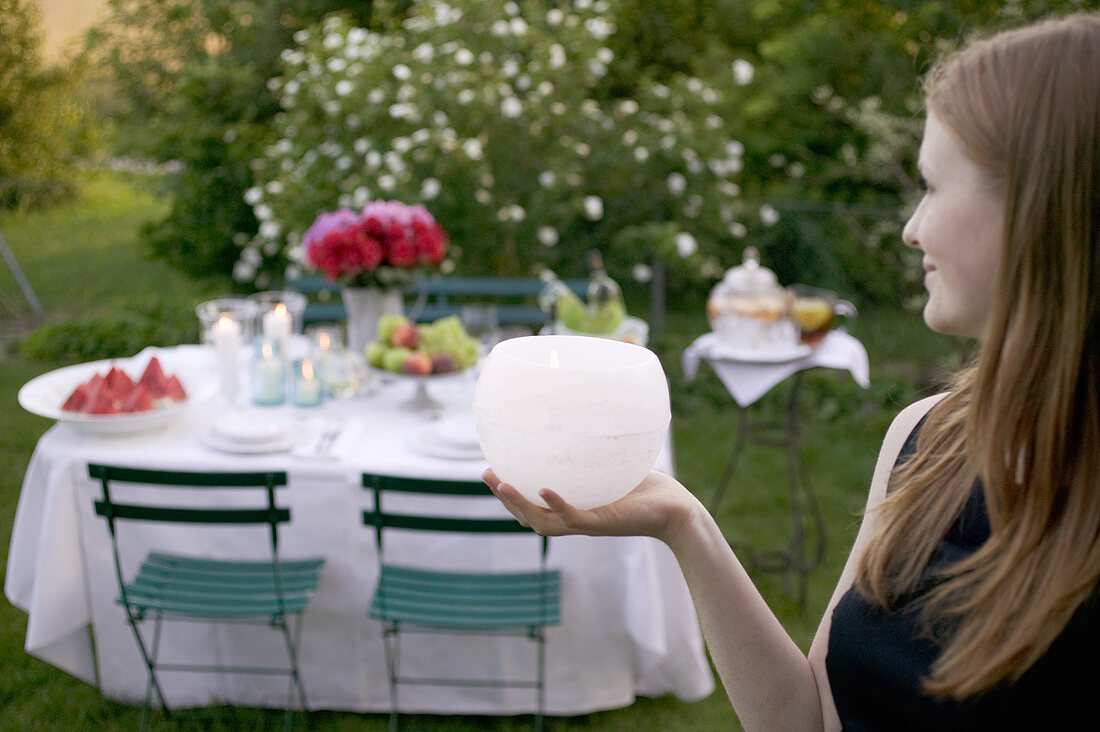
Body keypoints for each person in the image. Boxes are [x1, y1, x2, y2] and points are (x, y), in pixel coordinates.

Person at [483, 12, 1100, 730]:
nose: (911, 228)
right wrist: (684, 523)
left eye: (932, 185)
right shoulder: (928, 441)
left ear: (1040, 206)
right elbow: (805, 719)